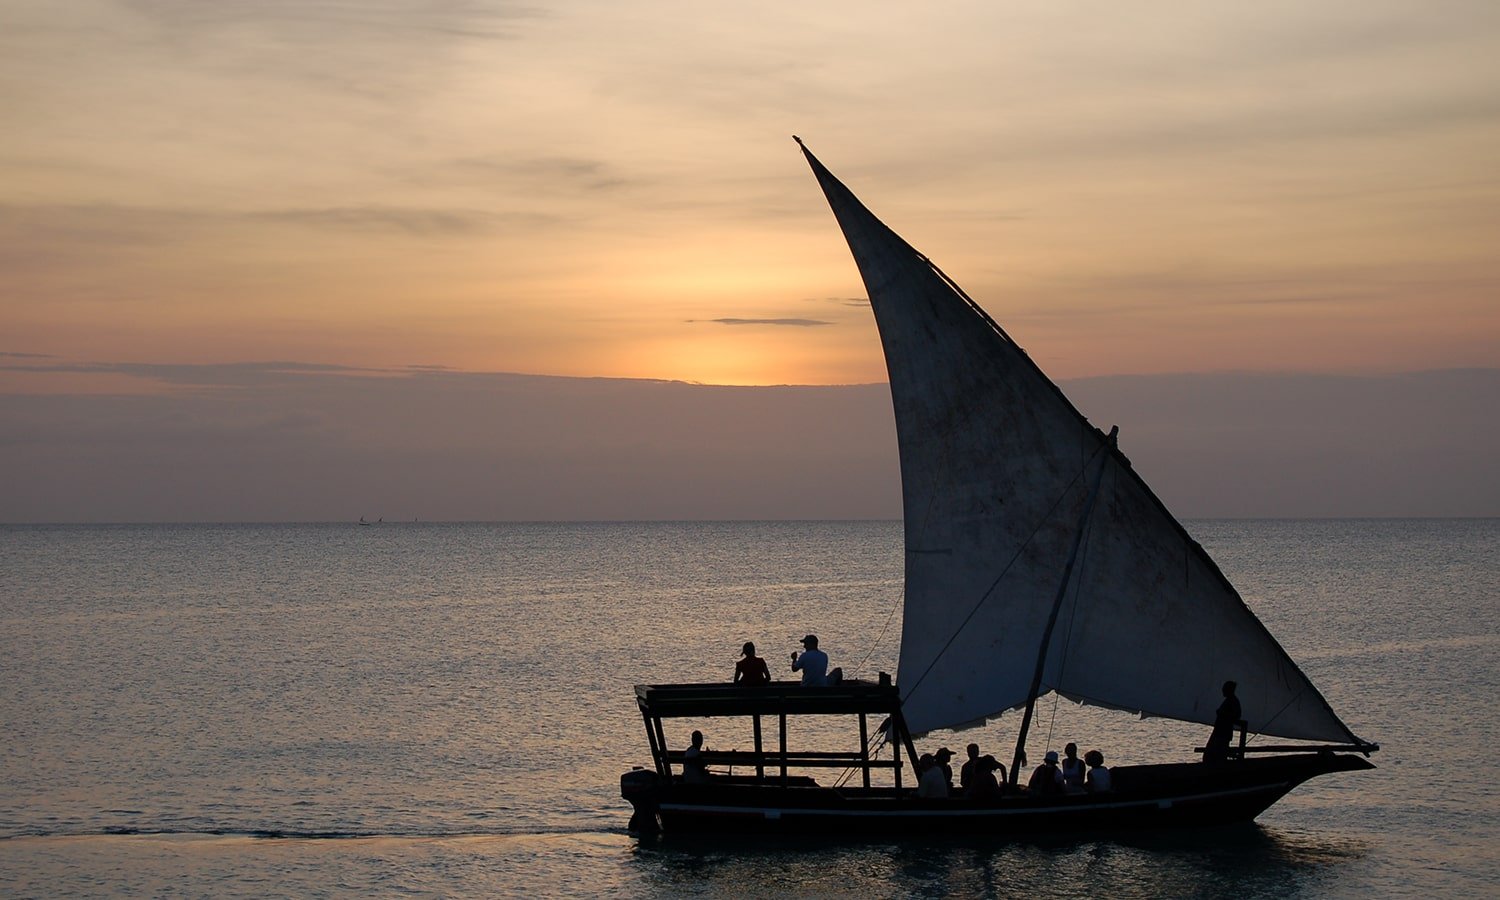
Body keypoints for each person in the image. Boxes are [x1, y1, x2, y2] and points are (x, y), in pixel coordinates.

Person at [1203, 680, 1242, 763]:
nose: (1222, 690)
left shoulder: (1232, 701)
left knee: (1215, 754)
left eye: (1224, 689)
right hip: (1220, 732)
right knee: (1212, 753)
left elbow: (1236, 715)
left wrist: (1222, 713)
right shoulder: (1230, 700)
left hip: (1223, 732)